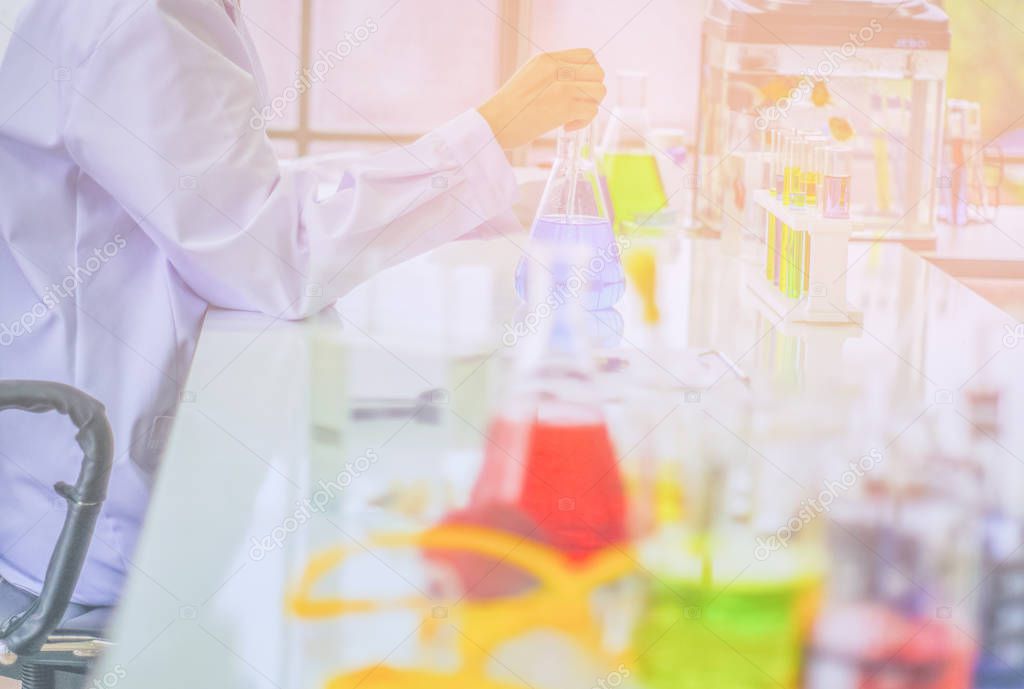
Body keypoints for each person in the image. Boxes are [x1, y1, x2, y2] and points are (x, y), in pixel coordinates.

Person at [0, 0, 606, 611]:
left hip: (108, 481)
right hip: (95, 531)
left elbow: (228, 188)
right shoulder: (141, 16)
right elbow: (273, 257)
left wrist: (477, 187)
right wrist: (491, 136)